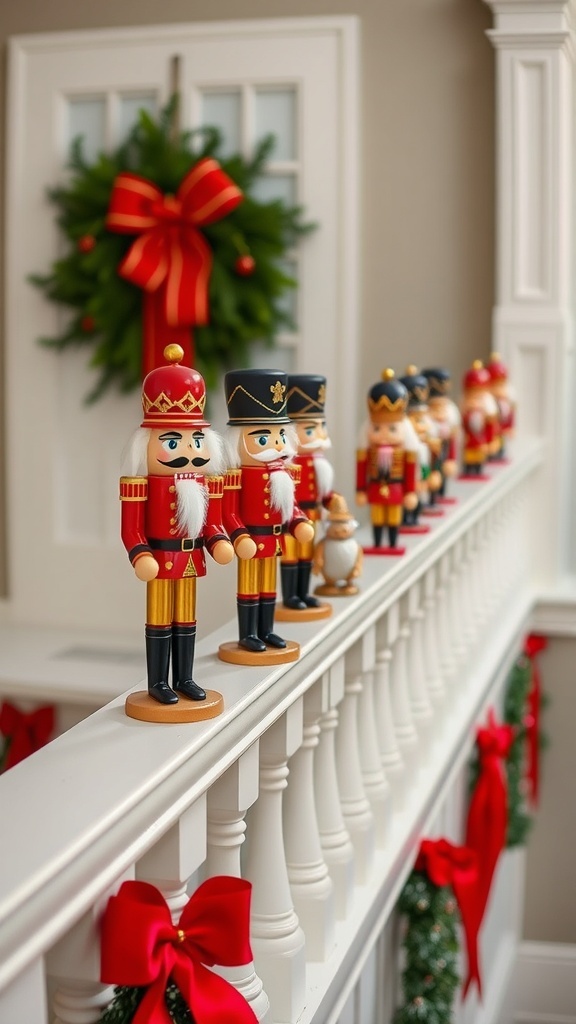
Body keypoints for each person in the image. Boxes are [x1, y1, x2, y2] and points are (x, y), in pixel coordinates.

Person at [120, 343, 234, 705]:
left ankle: (184, 677)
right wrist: (140, 555)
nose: (189, 449)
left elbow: (212, 524)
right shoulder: (141, 485)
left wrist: (219, 543)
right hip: (159, 559)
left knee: (186, 621)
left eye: (196, 439)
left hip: (189, 561)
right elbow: (131, 529)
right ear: (146, 446)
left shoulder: (206, 483)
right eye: (173, 441)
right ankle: (158, 683)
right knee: (158, 621)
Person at [221, 368, 314, 659]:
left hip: (274, 539)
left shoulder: (283, 473)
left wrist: (298, 521)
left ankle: (266, 629)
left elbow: (290, 506)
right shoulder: (237, 474)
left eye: (279, 436)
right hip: (251, 539)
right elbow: (229, 512)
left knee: (268, 589)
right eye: (263, 439)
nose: (275, 445)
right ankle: (248, 633)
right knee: (249, 587)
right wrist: (239, 535)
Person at [280, 373, 334, 613]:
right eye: (312, 430)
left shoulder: (318, 461)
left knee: (307, 555)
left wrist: (332, 500)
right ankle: (291, 595)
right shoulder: (286, 463)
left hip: (311, 514)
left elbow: (323, 491)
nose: (321, 436)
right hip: (291, 519)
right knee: (291, 555)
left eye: (322, 427)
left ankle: (304, 592)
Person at [356, 369, 418, 550]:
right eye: (376, 429)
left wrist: (410, 492)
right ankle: (377, 543)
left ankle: (392, 544)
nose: (384, 435)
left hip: (396, 487)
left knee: (393, 517)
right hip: (375, 487)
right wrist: (360, 489)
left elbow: (410, 470)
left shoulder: (405, 452)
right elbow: (361, 468)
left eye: (392, 429)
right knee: (376, 517)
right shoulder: (368, 451)